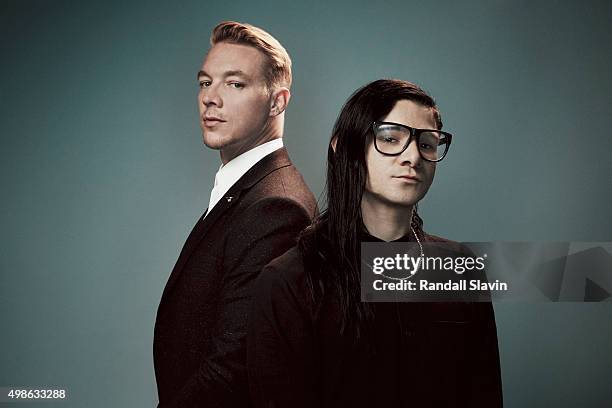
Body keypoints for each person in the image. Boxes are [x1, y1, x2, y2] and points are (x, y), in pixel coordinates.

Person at [247, 79, 503, 407]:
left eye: (427, 143)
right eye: (390, 138)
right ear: (343, 148)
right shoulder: (288, 281)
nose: (413, 156)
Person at [153, 21, 317, 407]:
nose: (211, 97)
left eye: (234, 83)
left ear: (277, 101)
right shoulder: (247, 190)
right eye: (205, 82)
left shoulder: (276, 207)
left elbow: (234, 369)